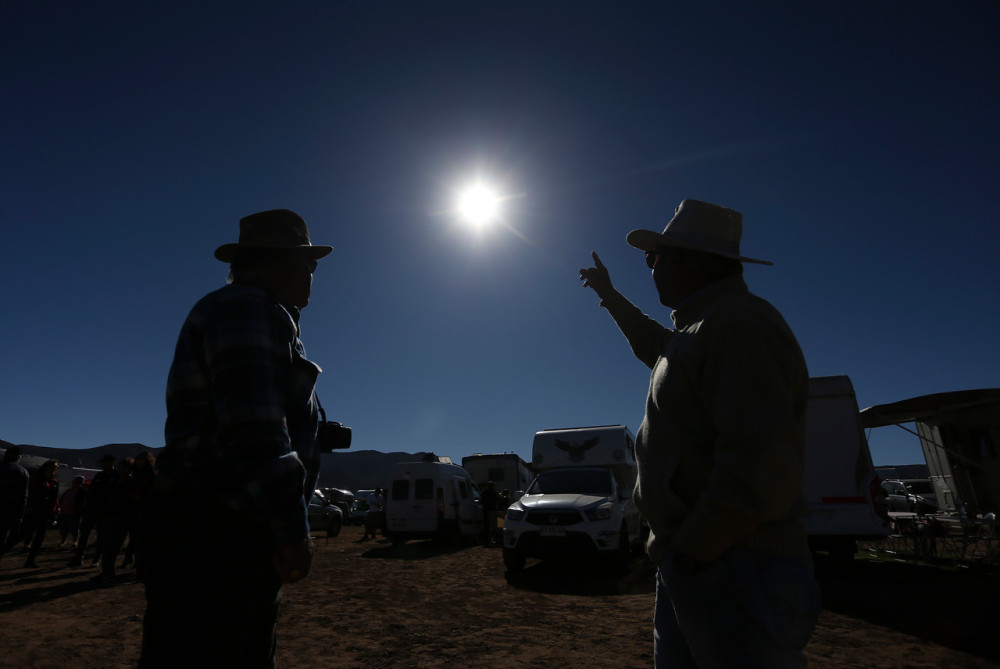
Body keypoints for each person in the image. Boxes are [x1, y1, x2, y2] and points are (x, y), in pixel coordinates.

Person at [579, 199, 820, 668]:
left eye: (654, 257)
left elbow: (759, 466)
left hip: (735, 566)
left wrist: (692, 553)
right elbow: (653, 344)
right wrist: (607, 294)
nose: (650, 266)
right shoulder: (701, 329)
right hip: (710, 564)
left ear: (684, 259)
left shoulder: (737, 325)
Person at [138, 208, 333, 668]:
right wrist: (293, 532)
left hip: (207, 533)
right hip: (217, 537)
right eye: (309, 264)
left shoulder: (244, 310)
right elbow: (257, 433)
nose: (312, 275)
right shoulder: (250, 309)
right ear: (284, 262)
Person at [8, 459, 60, 568]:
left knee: (39, 538)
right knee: (21, 535)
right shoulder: (36, 479)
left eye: (56, 467)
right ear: (46, 467)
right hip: (33, 512)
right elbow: (28, 492)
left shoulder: (54, 482)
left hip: (45, 513)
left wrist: (56, 510)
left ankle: (30, 561)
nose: (54, 468)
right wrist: (28, 505)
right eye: (52, 466)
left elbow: (54, 498)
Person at [70, 453, 118, 568]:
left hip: (106, 511)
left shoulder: (116, 476)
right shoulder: (99, 476)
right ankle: (79, 558)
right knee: (84, 534)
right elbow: (91, 492)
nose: (102, 465)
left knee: (101, 536)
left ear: (111, 463)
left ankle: (96, 559)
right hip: (92, 510)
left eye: (104, 463)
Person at [0, 447, 30, 555]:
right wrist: (20, 516)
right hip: (10, 510)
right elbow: (24, 497)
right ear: (19, 457)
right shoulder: (23, 472)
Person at [58, 475, 88, 548]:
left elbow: (85, 501)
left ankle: (74, 542)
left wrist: (81, 509)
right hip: (65, 512)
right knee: (64, 528)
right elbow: (62, 499)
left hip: (75, 513)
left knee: (75, 528)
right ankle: (63, 541)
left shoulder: (82, 491)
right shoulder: (70, 490)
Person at [481, 481, 499, 545]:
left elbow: (481, 500)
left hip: (485, 510)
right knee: (494, 525)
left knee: (486, 526)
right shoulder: (494, 492)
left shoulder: (484, 492)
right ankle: (494, 539)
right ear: (492, 486)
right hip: (492, 510)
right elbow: (497, 499)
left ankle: (486, 540)